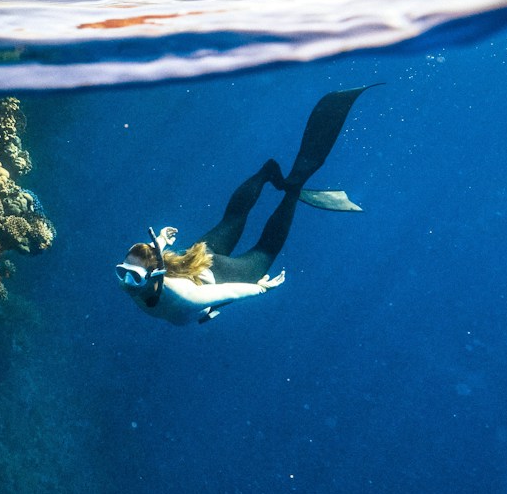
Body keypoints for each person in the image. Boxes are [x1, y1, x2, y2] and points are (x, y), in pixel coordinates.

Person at [115, 87, 374, 325]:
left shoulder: (186, 297)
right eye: (122, 272)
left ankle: (293, 189)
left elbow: (229, 291)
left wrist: (261, 288)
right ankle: (266, 173)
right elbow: (149, 257)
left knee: (266, 248)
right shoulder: (142, 274)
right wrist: (160, 240)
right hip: (193, 260)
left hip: (220, 276)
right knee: (231, 219)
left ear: (153, 274)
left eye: (134, 277)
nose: (127, 282)